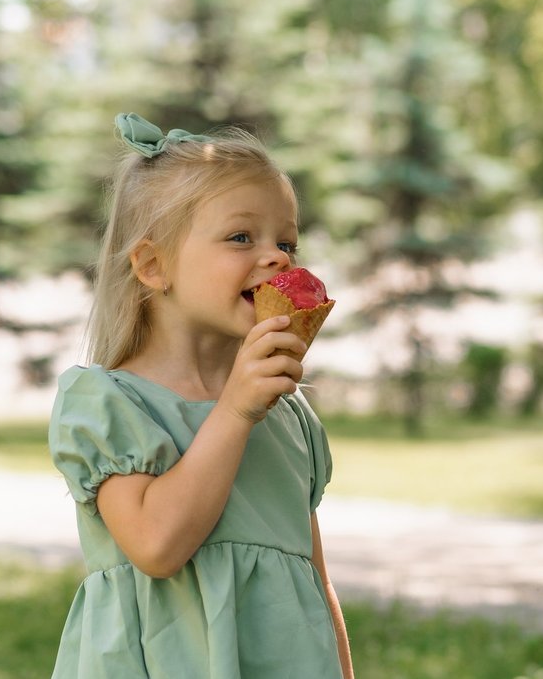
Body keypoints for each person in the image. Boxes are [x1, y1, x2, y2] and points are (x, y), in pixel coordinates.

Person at [47, 113, 354, 678]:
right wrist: (235, 411)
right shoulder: (109, 404)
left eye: (287, 241)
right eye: (242, 237)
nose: (279, 257)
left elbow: (315, 577)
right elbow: (157, 547)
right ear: (152, 265)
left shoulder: (287, 415)